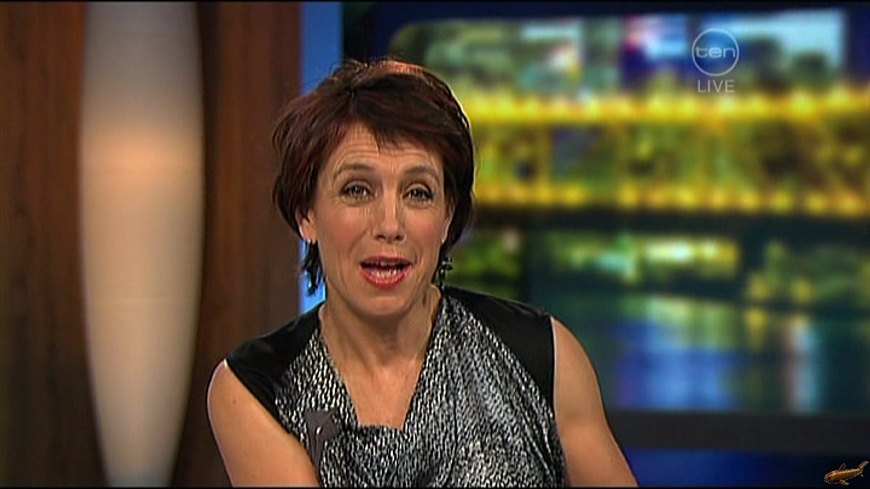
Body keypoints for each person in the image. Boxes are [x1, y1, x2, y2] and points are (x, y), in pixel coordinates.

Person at [206, 57, 638, 487]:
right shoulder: (258, 389)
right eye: (357, 190)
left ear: (447, 216)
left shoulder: (543, 357)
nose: (390, 225)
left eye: (418, 193)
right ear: (307, 213)